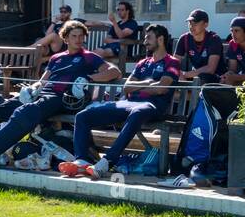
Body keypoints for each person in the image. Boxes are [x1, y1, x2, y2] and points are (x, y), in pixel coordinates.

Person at [0, 20, 120, 167]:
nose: (78, 39)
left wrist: (89, 78)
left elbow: (114, 71)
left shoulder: (89, 57)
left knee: (26, 112)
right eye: (74, 36)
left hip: (61, 99)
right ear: (66, 38)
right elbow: (44, 79)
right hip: (42, 96)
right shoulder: (56, 58)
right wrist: (33, 88)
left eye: (81, 36)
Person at [61, 24, 180, 179]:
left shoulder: (172, 62)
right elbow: (126, 88)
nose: (144, 41)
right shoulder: (143, 63)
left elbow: (162, 89)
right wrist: (149, 83)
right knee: (83, 115)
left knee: (138, 112)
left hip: (153, 106)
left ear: (161, 39)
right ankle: (82, 161)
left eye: (148, 37)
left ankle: (107, 161)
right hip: (127, 104)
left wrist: (140, 86)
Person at [174, 9, 223, 83]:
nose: (191, 26)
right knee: (171, 76)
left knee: (204, 77)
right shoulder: (184, 39)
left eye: (195, 23)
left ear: (206, 24)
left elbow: (210, 69)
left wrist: (185, 74)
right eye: (190, 23)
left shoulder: (214, 39)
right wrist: (179, 74)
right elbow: (174, 63)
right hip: (194, 76)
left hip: (215, 78)